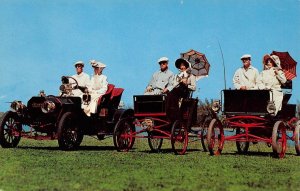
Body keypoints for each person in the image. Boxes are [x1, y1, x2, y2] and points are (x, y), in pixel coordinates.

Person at [166, 58, 196, 122]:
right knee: (169, 94)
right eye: (181, 65)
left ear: (186, 66)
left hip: (185, 92)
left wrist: (186, 84)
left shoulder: (191, 76)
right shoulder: (177, 76)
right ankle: (169, 113)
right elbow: (173, 85)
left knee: (174, 93)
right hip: (176, 91)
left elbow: (194, 87)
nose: (182, 67)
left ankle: (176, 114)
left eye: (183, 65)